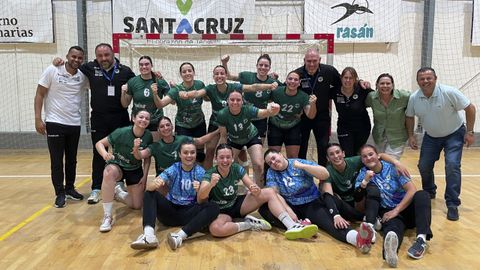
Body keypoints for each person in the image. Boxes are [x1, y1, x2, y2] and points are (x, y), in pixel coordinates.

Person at [261, 149, 375, 253]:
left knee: (330, 223)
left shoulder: (298, 162)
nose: (273, 163)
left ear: (281, 154)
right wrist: (288, 211)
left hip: (312, 203)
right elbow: (275, 194)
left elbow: (325, 174)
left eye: (274, 158)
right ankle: (300, 226)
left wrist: (303, 166)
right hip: (293, 205)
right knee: (264, 208)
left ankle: (357, 238)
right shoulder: (271, 172)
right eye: (270, 163)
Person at [198, 144, 319, 240]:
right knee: (215, 230)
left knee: (269, 192)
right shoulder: (210, 174)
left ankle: (291, 226)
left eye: (228, 157)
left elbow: (251, 185)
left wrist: (254, 189)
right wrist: (211, 184)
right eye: (221, 157)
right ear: (215, 158)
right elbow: (200, 198)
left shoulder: (236, 168)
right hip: (220, 210)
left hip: (237, 205)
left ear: (232, 158)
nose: (225, 160)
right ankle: (248, 224)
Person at [406, 67, 476, 221]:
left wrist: (470, 132)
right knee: (424, 166)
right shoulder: (414, 98)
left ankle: (452, 204)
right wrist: (411, 135)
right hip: (431, 136)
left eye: (428, 78)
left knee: (452, 165)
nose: (425, 81)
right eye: (422, 79)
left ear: (435, 78)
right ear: (417, 81)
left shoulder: (449, 92)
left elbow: (470, 108)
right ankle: (429, 191)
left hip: (454, 134)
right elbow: (409, 117)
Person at [179, 65, 278, 169]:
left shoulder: (234, 87)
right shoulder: (210, 88)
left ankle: (243, 174)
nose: (219, 76)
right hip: (216, 123)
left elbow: (253, 87)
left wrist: (270, 86)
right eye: (216, 74)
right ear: (213, 76)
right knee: (210, 151)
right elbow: (197, 93)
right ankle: (207, 179)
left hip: (232, 124)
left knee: (241, 151)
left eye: (222, 73)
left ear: (226, 75)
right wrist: (186, 94)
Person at [130, 142, 220, 250]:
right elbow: (149, 188)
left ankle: (179, 236)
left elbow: (203, 201)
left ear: (196, 154)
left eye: (192, 152)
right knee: (149, 193)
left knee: (214, 207)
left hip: (189, 213)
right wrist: (155, 184)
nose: (189, 155)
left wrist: (199, 191)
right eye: (185, 152)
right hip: (170, 212)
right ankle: (149, 235)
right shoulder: (174, 168)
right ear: (180, 154)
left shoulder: (201, 172)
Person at [355, 144, 433, 267]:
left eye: (371, 154)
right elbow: (358, 197)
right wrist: (365, 182)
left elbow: (412, 190)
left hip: (406, 208)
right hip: (388, 211)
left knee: (422, 195)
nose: (368, 158)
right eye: (364, 157)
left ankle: (421, 240)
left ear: (377, 155)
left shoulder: (392, 168)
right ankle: (390, 252)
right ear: (362, 160)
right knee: (392, 231)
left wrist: (397, 210)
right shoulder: (363, 174)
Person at [34, 46, 89, 208]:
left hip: (74, 124)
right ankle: (59, 193)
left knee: (72, 160)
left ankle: (70, 188)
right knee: (57, 160)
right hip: (55, 122)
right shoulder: (52, 70)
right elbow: (39, 94)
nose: (76, 60)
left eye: (80, 58)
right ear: (67, 56)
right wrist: (38, 118)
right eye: (73, 57)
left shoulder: (82, 76)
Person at [295, 48, 370, 165]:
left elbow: (345, 80)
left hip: (322, 116)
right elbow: (288, 88)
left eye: (314, 61)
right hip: (303, 116)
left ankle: (324, 178)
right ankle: (303, 177)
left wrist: (360, 81)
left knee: (323, 146)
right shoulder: (298, 73)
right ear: (304, 60)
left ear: (319, 60)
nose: (311, 64)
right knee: (302, 145)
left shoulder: (329, 71)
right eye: (308, 61)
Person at [95, 110, 153, 232]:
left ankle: (118, 193)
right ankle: (107, 216)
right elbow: (99, 143)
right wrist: (105, 154)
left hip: (134, 168)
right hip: (118, 165)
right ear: (133, 118)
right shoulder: (121, 132)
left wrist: (145, 176)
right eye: (141, 117)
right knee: (109, 172)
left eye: (147, 118)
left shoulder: (148, 136)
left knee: (137, 205)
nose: (143, 120)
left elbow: (147, 158)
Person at [216, 90, 280, 185]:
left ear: (242, 101)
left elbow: (264, 113)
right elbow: (223, 136)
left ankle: (259, 191)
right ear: (227, 101)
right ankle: (232, 189)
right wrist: (220, 151)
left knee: (258, 165)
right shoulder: (222, 114)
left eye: (238, 100)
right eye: (232, 100)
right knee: (227, 164)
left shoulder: (248, 109)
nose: (235, 102)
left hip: (251, 137)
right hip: (234, 140)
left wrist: (273, 111)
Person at [221, 54, 281, 144]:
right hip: (243, 117)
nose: (263, 67)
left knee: (258, 146)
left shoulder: (273, 83)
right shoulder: (247, 76)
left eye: (266, 65)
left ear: (269, 68)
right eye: (261, 65)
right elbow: (229, 77)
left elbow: (276, 96)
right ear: (256, 65)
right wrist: (224, 63)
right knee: (240, 147)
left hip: (261, 119)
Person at [154, 62, 207, 163]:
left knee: (199, 154)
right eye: (184, 71)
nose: (187, 73)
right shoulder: (176, 90)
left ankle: (199, 176)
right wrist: (155, 94)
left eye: (189, 71)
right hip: (183, 126)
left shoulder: (199, 84)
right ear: (181, 74)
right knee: (185, 153)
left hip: (199, 123)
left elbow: (206, 97)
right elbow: (160, 104)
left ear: (194, 72)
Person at [133, 116, 218, 177]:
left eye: (167, 125)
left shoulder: (182, 140)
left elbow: (200, 141)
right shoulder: (156, 146)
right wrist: (136, 148)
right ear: (158, 130)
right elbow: (139, 155)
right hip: (164, 179)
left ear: (172, 126)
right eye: (162, 126)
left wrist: (217, 131)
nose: (165, 128)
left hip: (181, 178)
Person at [268, 70, 317, 158]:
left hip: (293, 126)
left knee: (292, 157)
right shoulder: (276, 92)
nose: (292, 81)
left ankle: (291, 172)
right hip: (275, 125)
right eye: (290, 79)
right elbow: (264, 101)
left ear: (299, 83)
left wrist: (313, 104)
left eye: (295, 79)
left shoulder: (303, 96)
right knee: (273, 156)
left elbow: (311, 115)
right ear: (286, 81)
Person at [121, 56, 170, 141]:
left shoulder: (160, 81)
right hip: (138, 122)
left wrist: (174, 88)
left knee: (154, 150)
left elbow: (172, 100)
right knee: (137, 149)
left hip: (155, 121)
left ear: (151, 65)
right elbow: (125, 104)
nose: (144, 67)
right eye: (141, 65)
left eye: (147, 64)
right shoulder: (133, 81)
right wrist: (123, 92)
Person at [366, 73, 410, 160]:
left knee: (390, 163)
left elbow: (417, 100)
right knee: (380, 162)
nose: (385, 86)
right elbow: (360, 105)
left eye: (388, 83)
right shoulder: (371, 97)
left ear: (393, 85)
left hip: (397, 138)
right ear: (377, 85)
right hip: (379, 137)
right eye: (382, 83)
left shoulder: (404, 97)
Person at [332, 67, 373, 157]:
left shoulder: (362, 89)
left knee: (358, 154)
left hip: (362, 127)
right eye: (345, 77)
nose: (348, 80)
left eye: (351, 78)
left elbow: (377, 98)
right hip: (344, 127)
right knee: (348, 154)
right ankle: (350, 171)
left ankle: (360, 171)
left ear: (355, 79)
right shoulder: (335, 91)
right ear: (341, 78)